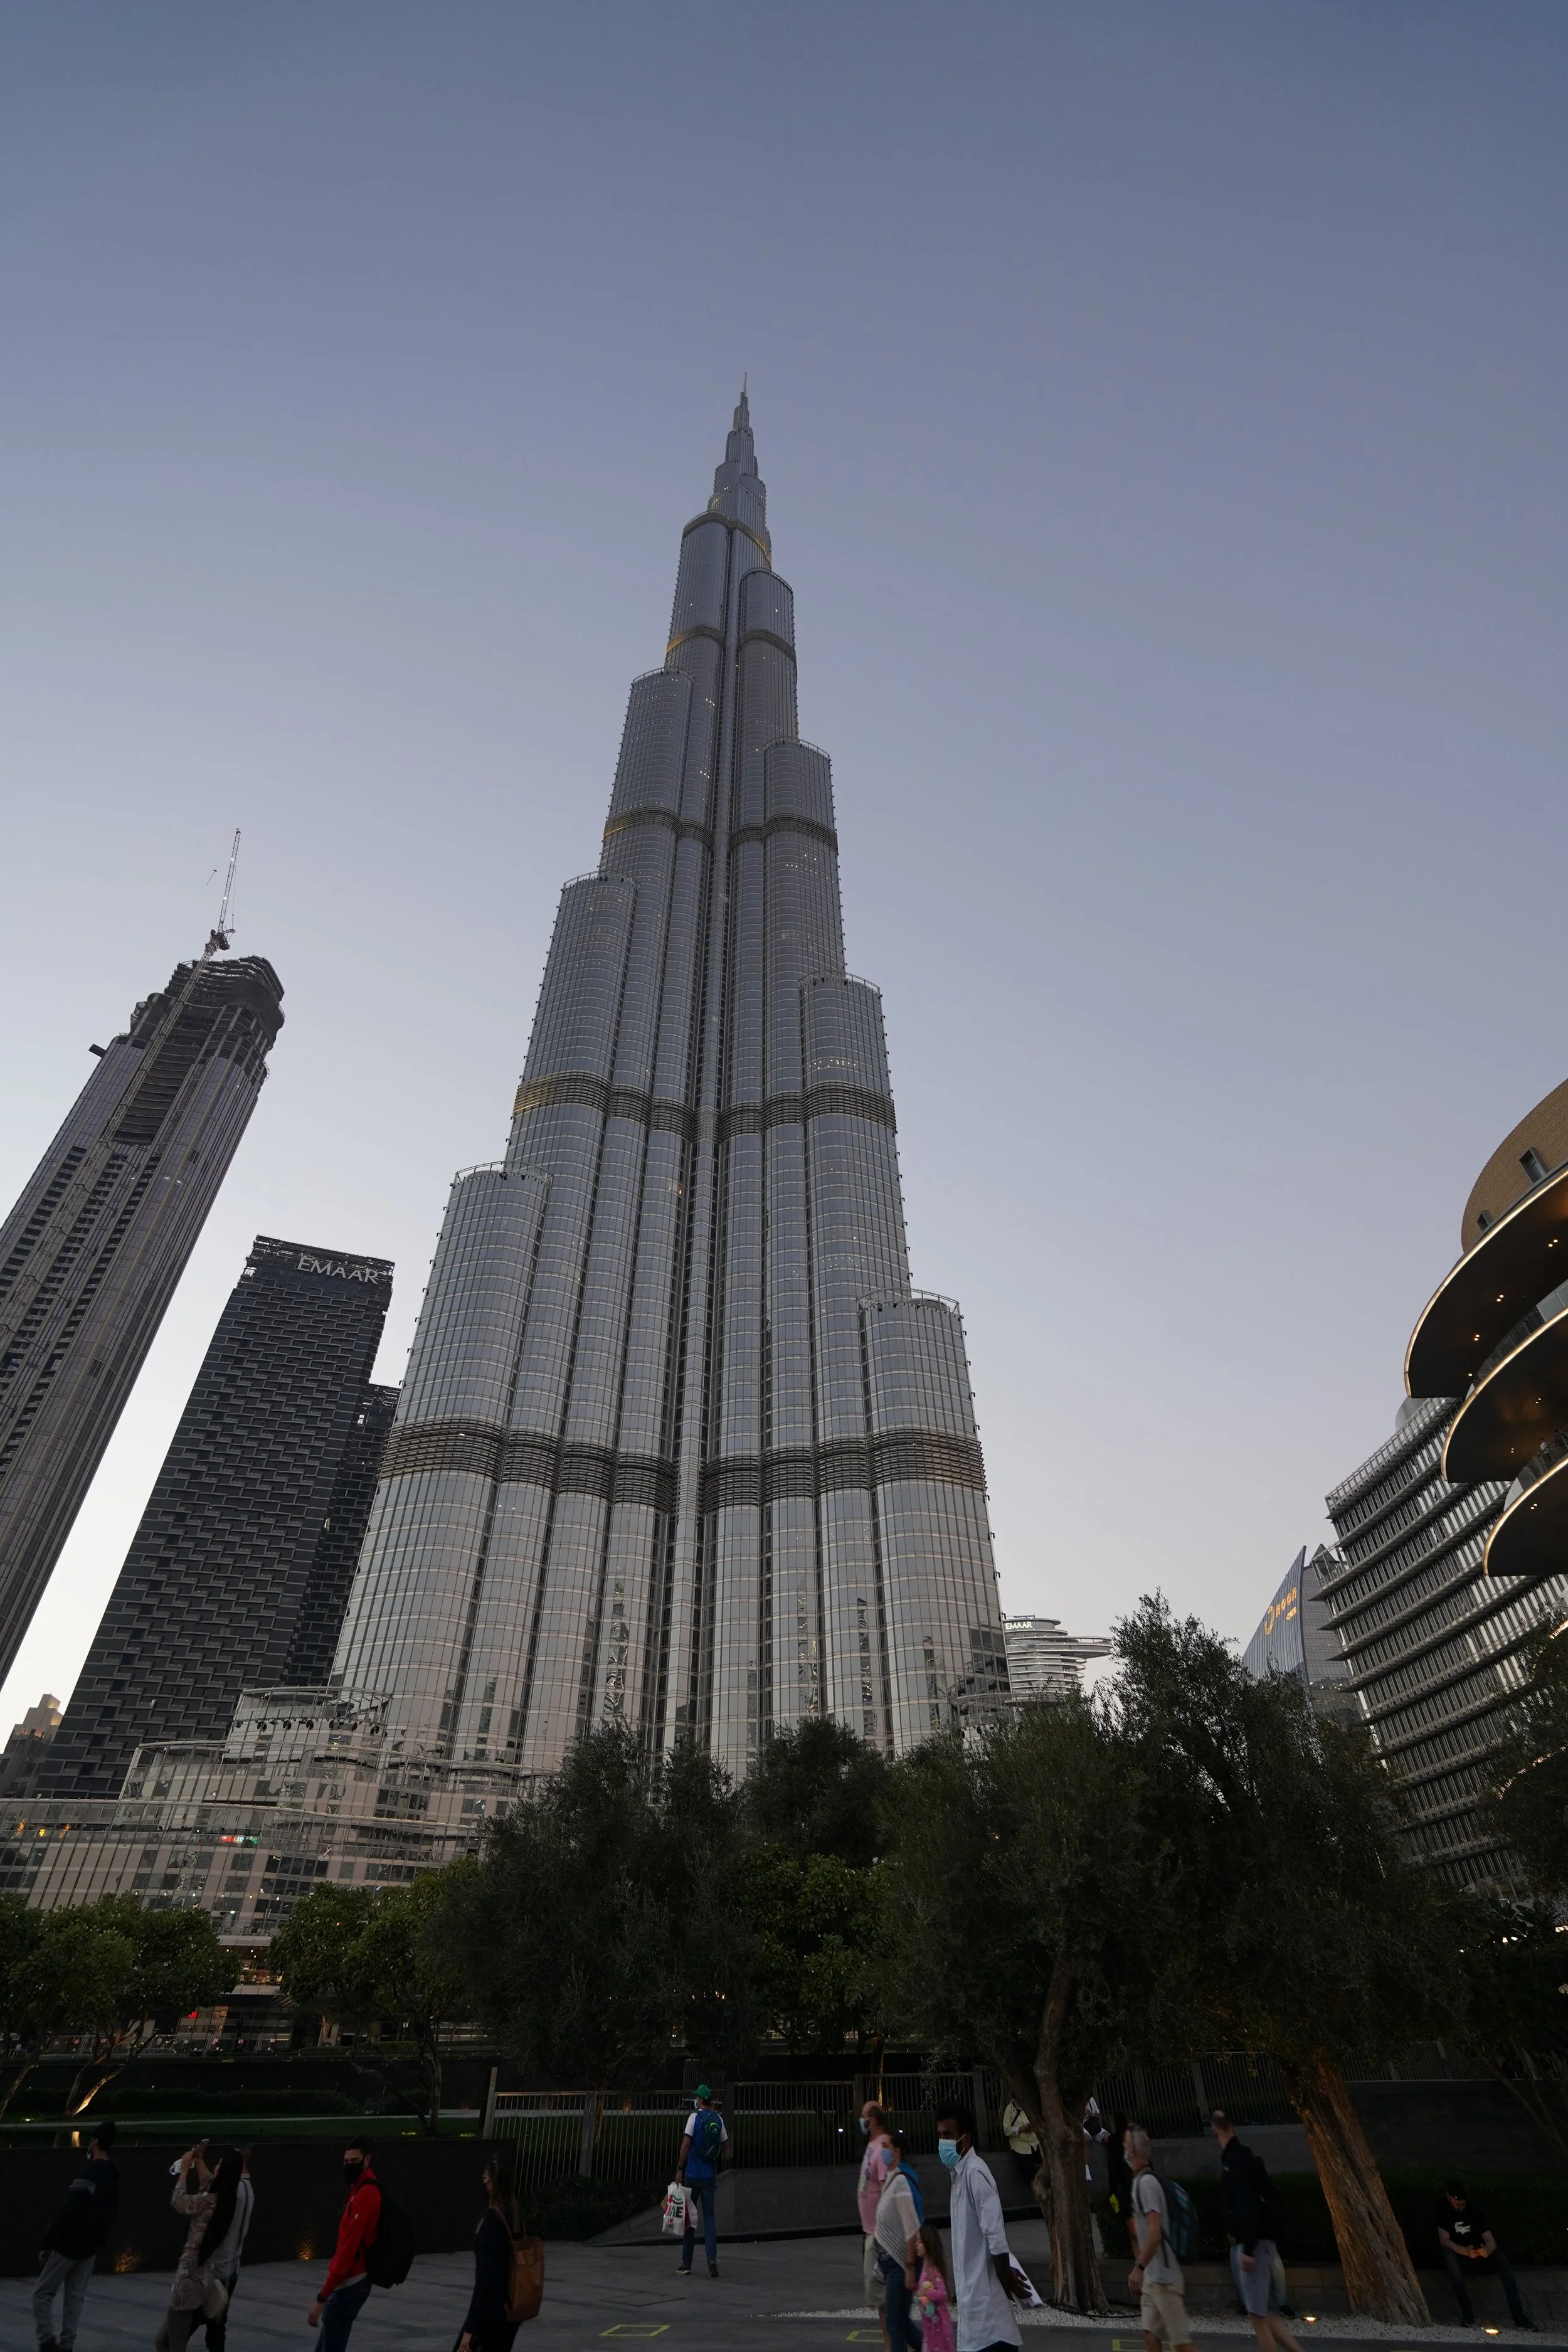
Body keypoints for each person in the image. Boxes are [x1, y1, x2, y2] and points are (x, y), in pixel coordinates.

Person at [935, 2100, 1027, 2352]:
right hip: (973, 2309)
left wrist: (1005, 2276)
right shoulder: (959, 2175)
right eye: (940, 2136)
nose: (943, 2143)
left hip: (989, 2315)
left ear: (965, 2140)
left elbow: (995, 2235)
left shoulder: (975, 2173)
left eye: (948, 2136)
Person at [1210, 2112, 1300, 2352]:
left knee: (1257, 2317)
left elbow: (1246, 2205)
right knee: (1259, 2313)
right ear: (1233, 2127)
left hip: (1254, 2243)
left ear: (1214, 2131)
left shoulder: (1234, 2162)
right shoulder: (1244, 2157)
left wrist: (1247, 2249)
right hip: (1263, 2240)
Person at [33, 2120, 119, 2352]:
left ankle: (47, 2342)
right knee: (75, 2298)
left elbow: (69, 2211)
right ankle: (67, 2346)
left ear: (96, 2142)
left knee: (42, 2293)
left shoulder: (89, 2173)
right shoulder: (113, 2176)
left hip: (69, 2245)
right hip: (90, 2248)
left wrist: (48, 2242)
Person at [156, 2143, 236, 2352]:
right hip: (202, 2278)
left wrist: (183, 2172)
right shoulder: (227, 2201)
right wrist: (198, 2160)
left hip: (188, 2278)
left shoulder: (209, 2201)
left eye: (218, 2164)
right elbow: (209, 2182)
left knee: (172, 2344)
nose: (215, 2167)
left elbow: (179, 2201)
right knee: (166, 2341)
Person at [1125, 2122, 1197, 2352]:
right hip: (1153, 2278)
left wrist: (1139, 2266)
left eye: (1126, 2145)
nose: (1124, 2150)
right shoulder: (1140, 2182)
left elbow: (1155, 2233)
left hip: (1164, 2279)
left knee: (1182, 2344)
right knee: (1150, 2334)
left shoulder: (1146, 2184)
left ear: (1133, 2152)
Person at [307, 2142, 382, 2351]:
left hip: (350, 2284)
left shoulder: (366, 2194)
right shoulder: (359, 2190)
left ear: (367, 2160)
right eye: (346, 2161)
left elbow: (348, 2250)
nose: (349, 2165)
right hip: (349, 2284)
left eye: (354, 2161)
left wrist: (322, 2297)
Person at [1437, 2180, 1535, 2330]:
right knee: (1449, 2257)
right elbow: (1445, 2241)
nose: (1461, 2207)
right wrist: (1465, 2251)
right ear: (1449, 2197)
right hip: (1461, 2258)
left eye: (1463, 2204)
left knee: (1502, 2259)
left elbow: (1490, 2241)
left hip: (1480, 2258)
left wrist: (1486, 2251)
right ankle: (1468, 2314)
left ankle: (1519, 2316)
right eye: (1458, 2204)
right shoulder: (1443, 2210)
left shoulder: (1473, 2211)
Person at [458, 2156, 526, 2352]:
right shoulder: (516, 2213)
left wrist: (469, 2330)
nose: (484, 2182)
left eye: (486, 2178)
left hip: (490, 2314)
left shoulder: (493, 2218)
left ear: (493, 2184)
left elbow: (485, 2281)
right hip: (512, 2309)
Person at [196, 2148, 253, 2352]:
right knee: (217, 2327)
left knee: (185, 2325)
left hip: (216, 2271)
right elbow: (213, 2183)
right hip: (231, 2271)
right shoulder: (247, 2189)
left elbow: (210, 2190)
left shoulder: (233, 2195)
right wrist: (199, 2160)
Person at [874, 2127, 924, 2351]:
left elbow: (911, 2227)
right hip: (893, 2264)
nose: (881, 2151)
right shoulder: (891, 2180)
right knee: (901, 2322)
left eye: (885, 2147)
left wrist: (911, 2267)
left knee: (894, 2324)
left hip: (901, 2265)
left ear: (896, 2152)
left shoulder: (901, 2183)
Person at [675, 2084, 729, 2279]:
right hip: (709, 2176)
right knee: (710, 2217)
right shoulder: (718, 2118)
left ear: (700, 2099)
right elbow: (726, 2145)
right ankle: (712, 2258)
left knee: (689, 2219)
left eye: (697, 2097)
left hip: (692, 2175)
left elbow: (686, 2144)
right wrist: (711, 2153)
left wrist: (680, 2169)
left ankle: (686, 2263)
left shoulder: (694, 2118)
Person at [857, 2099, 898, 2337]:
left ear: (871, 2121)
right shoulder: (872, 2144)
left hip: (879, 2234)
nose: (861, 2121)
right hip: (870, 2231)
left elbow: (887, 2188)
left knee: (883, 2297)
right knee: (878, 2296)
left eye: (863, 2117)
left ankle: (892, 2343)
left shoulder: (883, 2146)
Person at [913, 2218, 956, 2352]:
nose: (916, 2244)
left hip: (938, 2329)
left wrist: (926, 2293)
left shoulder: (932, 2270)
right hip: (930, 2327)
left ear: (928, 2244)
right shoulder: (925, 2269)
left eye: (920, 2241)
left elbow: (943, 2294)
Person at [999, 2100, 1040, 2198]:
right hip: (1020, 2147)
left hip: (1035, 2143)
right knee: (1031, 2175)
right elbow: (1007, 2130)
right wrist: (1019, 2129)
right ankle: (1038, 2198)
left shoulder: (1029, 2106)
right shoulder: (1010, 2110)